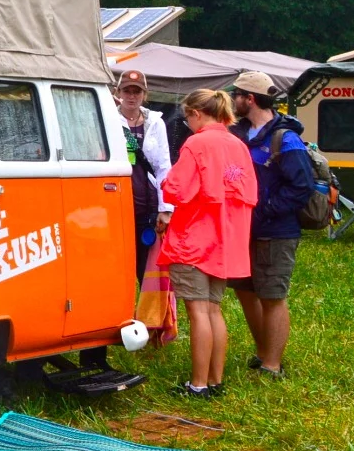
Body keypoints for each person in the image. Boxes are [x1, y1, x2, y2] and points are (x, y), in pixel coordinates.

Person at [156, 89, 257, 399]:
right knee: (214, 310)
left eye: (188, 117)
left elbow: (175, 189)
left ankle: (197, 385)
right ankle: (214, 381)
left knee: (198, 312)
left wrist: (163, 182)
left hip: (195, 240)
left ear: (196, 114)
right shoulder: (237, 145)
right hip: (226, 242)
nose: (187, 123)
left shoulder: (197, 143)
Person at [228, 70, 314, 378]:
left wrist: (264, 210)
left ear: (249, 99)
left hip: (276, 231)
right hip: (243, 231)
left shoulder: (285, 138)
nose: (232, 100)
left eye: (236, 95)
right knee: (245, 291)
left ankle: (273, 365)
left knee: (272, 296)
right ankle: (263, 352)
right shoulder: (237, 133)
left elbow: (301, 187)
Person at [113, 69, 174, 280]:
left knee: (146, 265)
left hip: (146, 205)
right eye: (127, 91)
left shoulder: (156, 123)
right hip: (116, 203)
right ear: (118, 92)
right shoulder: (109, 119)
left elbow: (164, 166)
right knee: (120, 263)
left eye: (137, 92)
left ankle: (146, 311)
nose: (131, 96)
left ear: (144, 95)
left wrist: (165, 208)